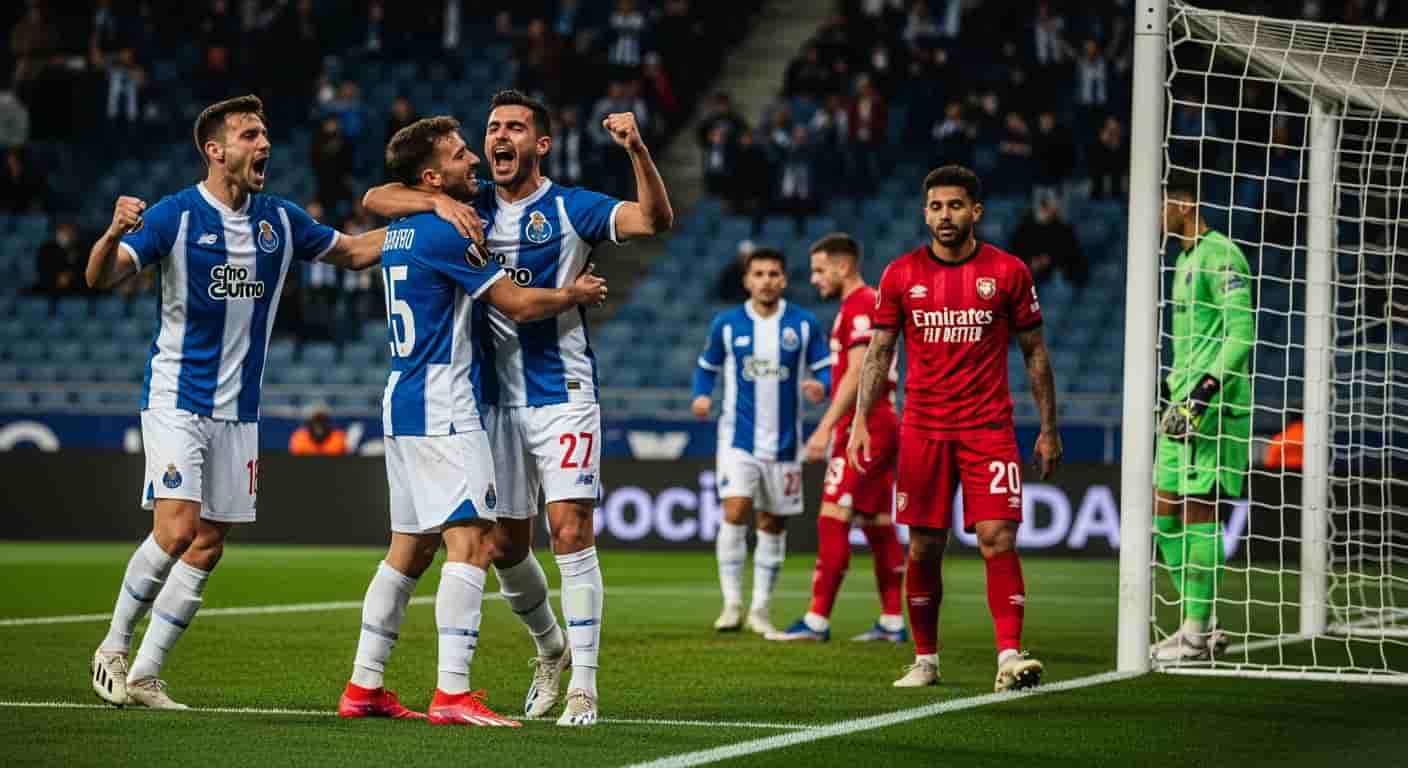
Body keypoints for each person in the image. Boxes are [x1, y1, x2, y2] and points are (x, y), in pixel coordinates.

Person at [362, 89, 672, 726]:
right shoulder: (466, 208)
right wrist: (438, 198)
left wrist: (637, 150)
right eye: (493, 127)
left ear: (540, 144)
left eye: (515, 128)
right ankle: (550, 650)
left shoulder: (569, 207)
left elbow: (652, 221)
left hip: (563, 395)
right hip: (491, 403)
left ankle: (584, 683)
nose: (499, 138)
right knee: (504, 545)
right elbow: (376, 199)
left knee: (569, 531)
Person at [84, 95, 387, 710]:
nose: (264, 143)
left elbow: (354, 253)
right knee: (174, 530)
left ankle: (144, 674)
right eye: (250, 134)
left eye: (266, 133)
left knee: (209, 540)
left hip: (239, 411)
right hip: (176, 397)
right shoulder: (176, 216)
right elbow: (100, 276)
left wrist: (428, 223)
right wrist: (113, 231)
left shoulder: (281, 219)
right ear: (215, 150)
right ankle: (112, 648)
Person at [848, 165, 1061, 691]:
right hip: (922, 430)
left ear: (976, 212)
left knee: (997, 536)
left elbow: (1035, 353)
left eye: (956, 206)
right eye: (937, 207)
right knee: (923, 546)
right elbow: (877, 354)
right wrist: (859, 422)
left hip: (988, 427)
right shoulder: (901, 275)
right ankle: (926, 659)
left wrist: (1048, 427)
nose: (946, 216)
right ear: (925, 213)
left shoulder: (1008, 272)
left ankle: (1009, 654)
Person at [768, 233, 906, 644]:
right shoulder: (860, 305)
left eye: (819, 269)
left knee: (832, 517)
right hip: (879, 422)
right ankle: (893, 622)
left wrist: (826, 426)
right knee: (878, 523)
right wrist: (826, 389)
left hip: (866, 426)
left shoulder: (862, 303)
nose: (813, 279)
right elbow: (856, 372)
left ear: (843, 266)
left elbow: (861, 370)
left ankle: (816, 620)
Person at [691, 248, 832, 637]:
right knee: (734, 512)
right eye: (759, 274)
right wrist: (702, 395)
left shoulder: (802, 325)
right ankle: (732, 603)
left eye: (773, 273)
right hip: (737, 439)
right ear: (747, 280)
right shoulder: (727, 323)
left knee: (772, 524)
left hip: (786, 445)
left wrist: (822, 387)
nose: (766, 280)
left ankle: (760, 608)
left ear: (784, 280)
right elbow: (706, 369)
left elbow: (827, 370)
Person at [1150, 172, 1253, 663]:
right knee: (1164, 514)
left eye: (1162, 204)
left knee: (1197, 512)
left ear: (1185, 204)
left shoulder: (1223, 255)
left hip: (1211, 405)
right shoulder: (1184, 259)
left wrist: (1206, 390)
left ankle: (1193, 636)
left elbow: (1242, 335)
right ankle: (1202, 623)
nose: (1157, 215)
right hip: (1179, 405)